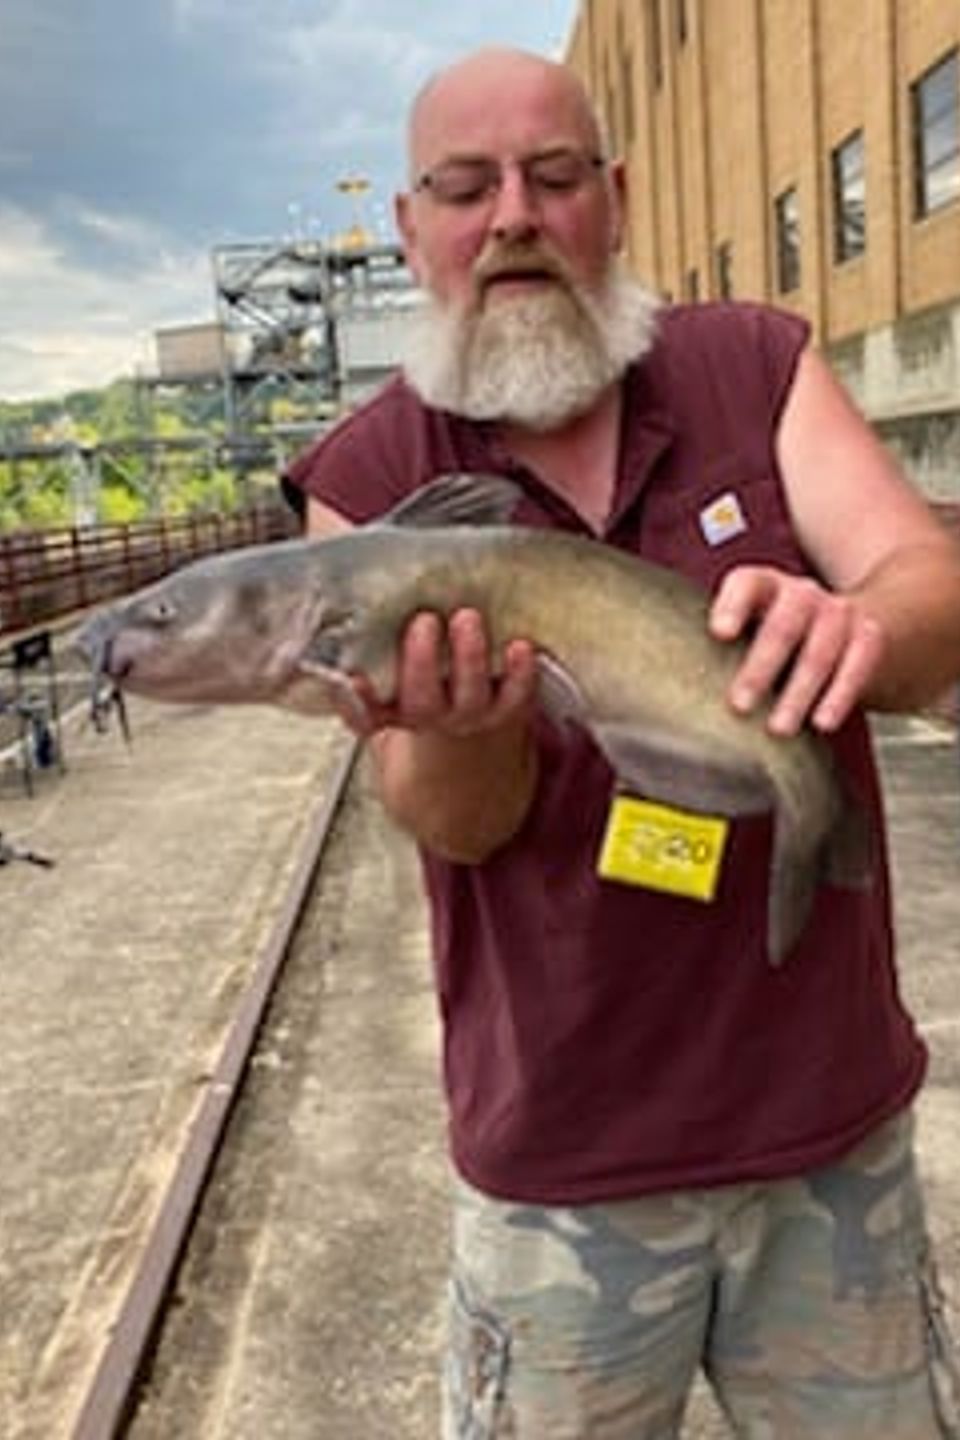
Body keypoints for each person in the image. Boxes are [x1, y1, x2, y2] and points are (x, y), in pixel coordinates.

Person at [283, 46, 960, 1440]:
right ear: (412, 231)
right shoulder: (369, 481)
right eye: (465, 189)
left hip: (828, 1139)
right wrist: (471, 735)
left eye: (553, 176)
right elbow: (447, 816)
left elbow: (928, 592)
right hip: (561, 1179)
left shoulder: (752, 367)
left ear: (617, 198)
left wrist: (860, 636)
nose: (514, 215)